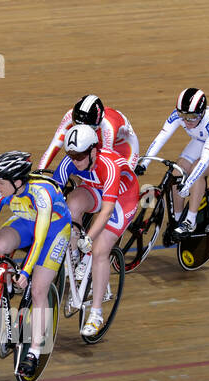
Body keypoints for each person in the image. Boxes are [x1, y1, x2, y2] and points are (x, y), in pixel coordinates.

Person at [0, 151, 72, 376]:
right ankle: (6, 290)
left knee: (39, 289)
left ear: (17, 182)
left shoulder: (42, 195)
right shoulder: (2, 190)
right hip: (27, 220)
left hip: (54, 230)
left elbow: (40, 239)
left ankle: (34, 353)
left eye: (1, 182)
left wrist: (27, 271)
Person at [52, 124, 139, 337]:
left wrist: (88, 239)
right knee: (71, 206)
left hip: (122, 199)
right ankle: (74, 258)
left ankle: (97, 313)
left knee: (99, 250)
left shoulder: (108, 164)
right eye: (70, 154)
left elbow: (108, 211)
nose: (75, 161)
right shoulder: (71, 161)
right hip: (96, 189)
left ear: (93, 151)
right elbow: (53, 195)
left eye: (80, 155)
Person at [137, 87, 209, 234]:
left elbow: (204, 160)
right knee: (177, 171)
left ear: (202, 113)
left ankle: (190, 221)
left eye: (192, 117)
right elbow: (161, 138)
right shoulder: (179, 115)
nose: (186, 121)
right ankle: (178, 220)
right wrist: (144, 164)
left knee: (197, 170)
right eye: (183, 116)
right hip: (201, 139)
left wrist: (188, 184)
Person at [37, 94, 140, 172]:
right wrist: (39, 173)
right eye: (76, 126)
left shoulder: (108, 125)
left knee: (109, 181)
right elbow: (53, 147)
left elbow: (107, 161)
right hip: (95, 144)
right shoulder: (69, 116)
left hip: (124, 150)